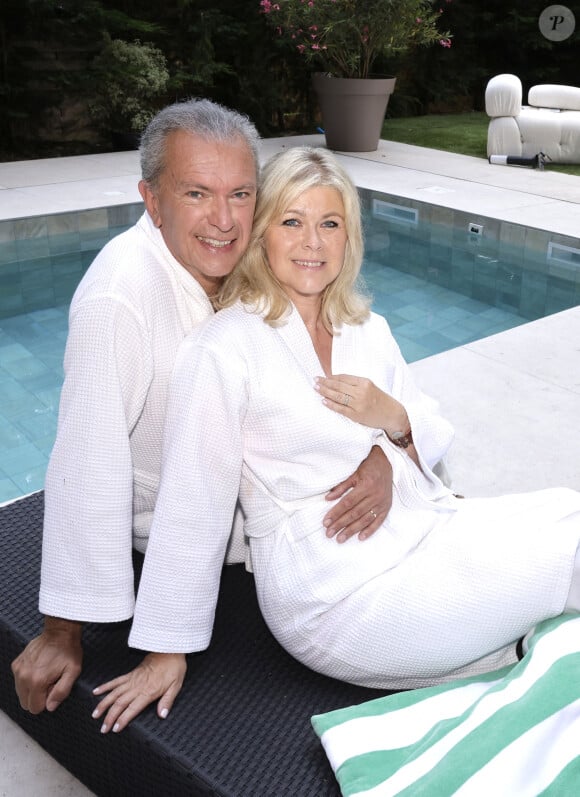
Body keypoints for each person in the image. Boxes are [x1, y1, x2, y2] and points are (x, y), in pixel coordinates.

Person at [92, 145, 580, 735]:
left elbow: (421, 440)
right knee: (566, 554)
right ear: (261, 234)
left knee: (567, 510)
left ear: (350, 236)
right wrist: (166, 647)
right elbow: (194, 500)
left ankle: (504, 641)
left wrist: (389, 429)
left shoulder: (366, 328)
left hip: (417, 533)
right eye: (291, 222)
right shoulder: (223, 348)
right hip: (334, 592)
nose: (312, 243)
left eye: (330, 223)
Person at [11, 109, 394, 717]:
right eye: (196, 194)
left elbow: (332, 371)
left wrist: (383, 453)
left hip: (283, 507)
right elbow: (88, 460)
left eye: (241, 195)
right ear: (152, 200)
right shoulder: (118, 299)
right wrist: (63, 631)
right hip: (175, 526)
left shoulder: (253, 256)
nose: (223, 220)